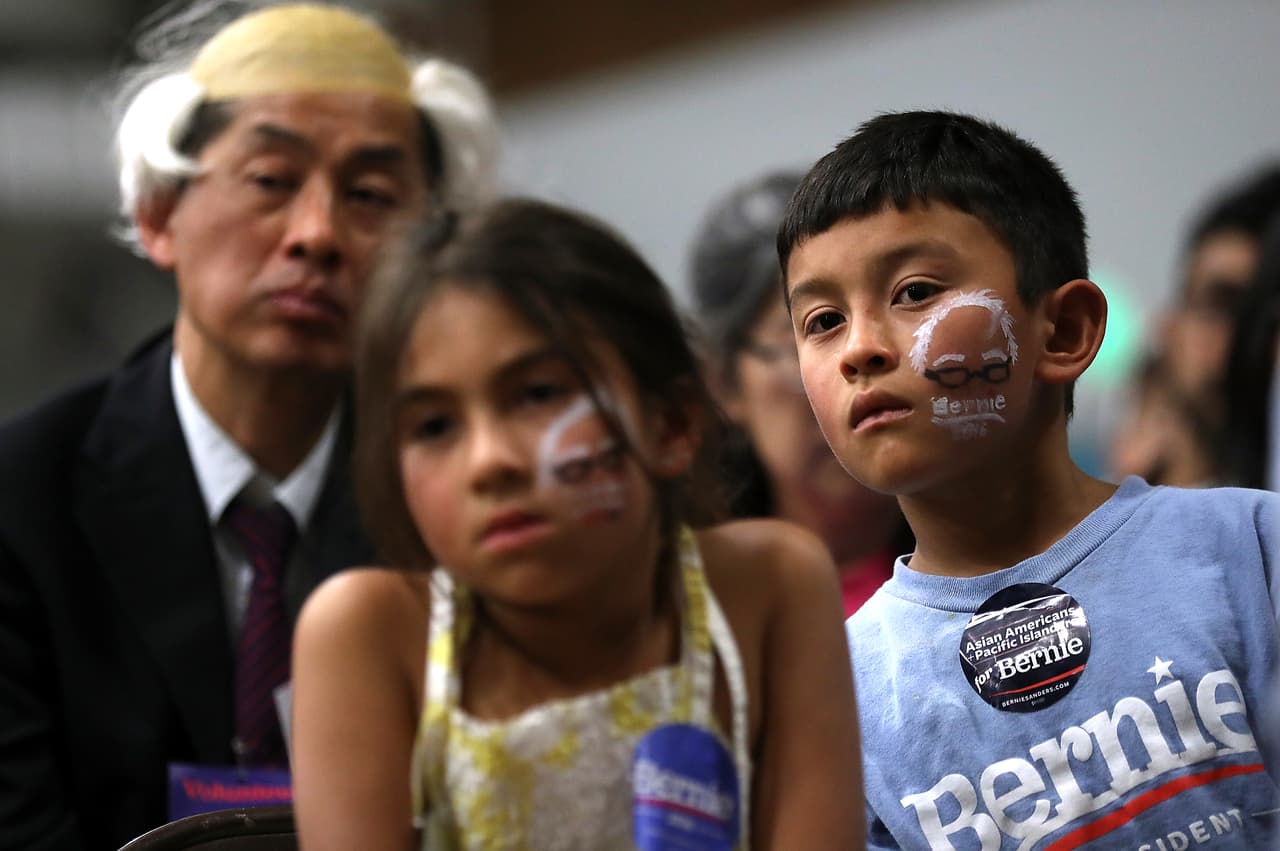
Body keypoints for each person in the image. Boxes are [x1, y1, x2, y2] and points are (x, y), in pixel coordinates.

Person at [0, 2, 498, 848]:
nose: (317, 235)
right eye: (270, 180)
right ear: (158, 215)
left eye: (371, 195)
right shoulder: (20, 498)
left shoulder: (468, 493)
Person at [291, 199, 864, 850]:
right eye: (433, 426)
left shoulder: (769, 585)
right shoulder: (375, 635)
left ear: (671, 424)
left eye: (538, 394)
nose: (489, 462)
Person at [778, 110, 1280, 849]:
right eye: (821, 320)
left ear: (1065, 332)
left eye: (914, 291)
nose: (858, 348)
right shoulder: (835, 699)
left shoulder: (1248, 548)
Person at [689, 171, 910, 616]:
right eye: (817, 329)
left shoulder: (986, 566)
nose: (855, 365)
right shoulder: (701, 607)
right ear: (726, 385)